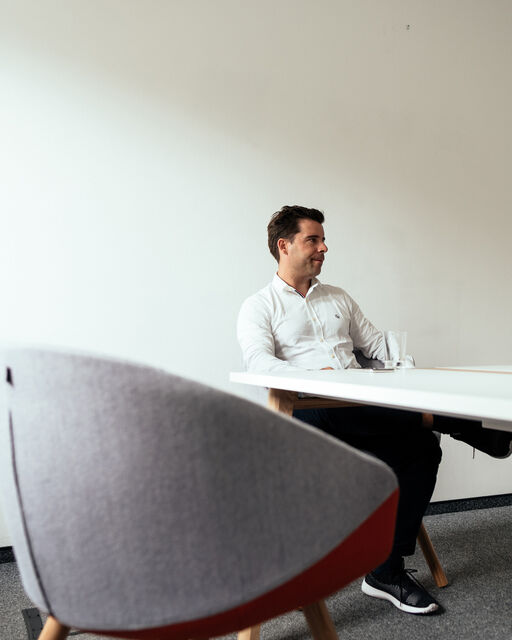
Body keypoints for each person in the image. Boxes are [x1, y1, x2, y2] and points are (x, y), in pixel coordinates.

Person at [237, 205, 511, 616]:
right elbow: (258, 364)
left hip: (363, 409)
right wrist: (315, 377)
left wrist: (403, 361)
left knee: (423, 449)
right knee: (364, 409)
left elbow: (376, 345)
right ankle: (477, 427)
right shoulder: (259, 306)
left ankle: (386, 570)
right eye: (313, 239)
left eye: (323, 239)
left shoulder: (338, 298)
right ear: (284, 245)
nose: (323, 248)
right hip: (309, 415)